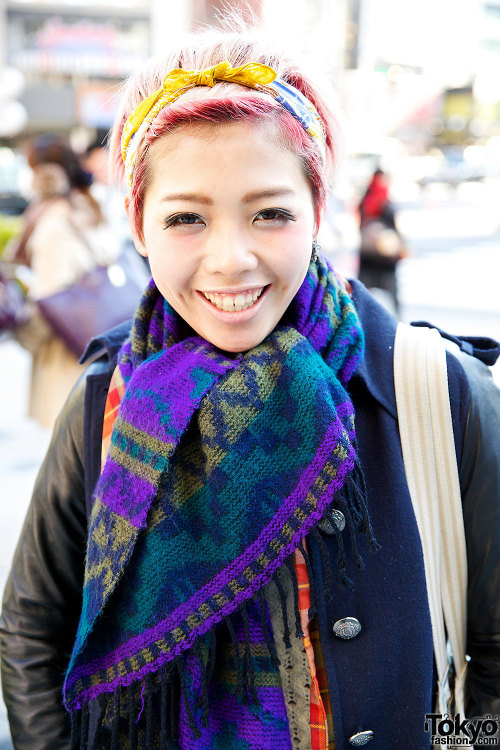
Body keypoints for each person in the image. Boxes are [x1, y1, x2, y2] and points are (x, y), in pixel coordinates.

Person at [1, 20, 500, 750]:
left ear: (318, 213)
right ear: (138, 224)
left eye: (270, 213)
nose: (230, 259)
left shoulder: (434, 390)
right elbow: (30, 630)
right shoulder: (107, 401)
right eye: (186, 219)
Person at [11, 135, 118, 428]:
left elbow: (50, 298)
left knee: (73, 450)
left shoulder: (52, 225)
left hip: (68, 356)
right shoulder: (87, 206)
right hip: (95, 343)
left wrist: (24, 334)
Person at [357, 168, 405, 316]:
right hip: (384, 256)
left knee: (362, 293)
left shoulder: (366, 199)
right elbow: (394, 226)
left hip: (368, 254)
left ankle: (359, 318)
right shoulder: (384, 200)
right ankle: (398, 319)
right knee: (392, 293)